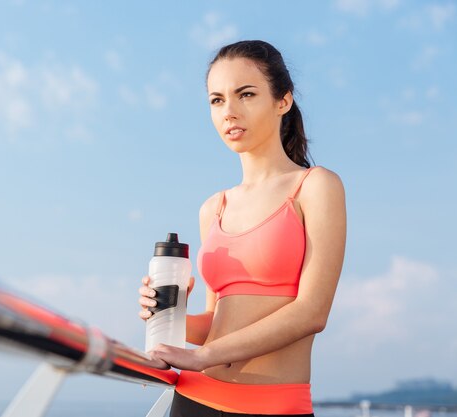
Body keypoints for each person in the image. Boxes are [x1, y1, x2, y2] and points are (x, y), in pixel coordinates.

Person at [138, 40, 346, 417]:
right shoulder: (213, 208)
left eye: (245, 94)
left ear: (283, 101)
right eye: (216, 100)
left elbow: (312, 311)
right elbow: (216, 323)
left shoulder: (316, 186)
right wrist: (169, 315)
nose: (229, 112)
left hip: (274, 407)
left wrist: (206, 356)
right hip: (193, 400)